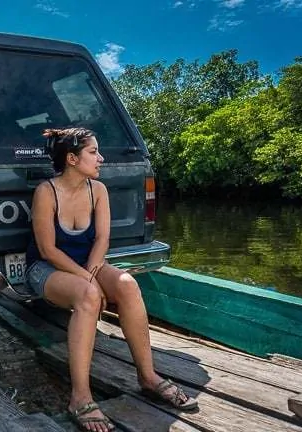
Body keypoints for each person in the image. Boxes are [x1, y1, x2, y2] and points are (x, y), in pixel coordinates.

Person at [26, 127, 197, 432]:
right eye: (93, 152)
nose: (101, 158)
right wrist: (87, 280)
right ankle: (80, 397)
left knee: (128, 285)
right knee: (88, 296)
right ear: (72, 158)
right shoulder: (46, 192)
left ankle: (148, 376)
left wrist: (92, 269)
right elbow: (47, 250)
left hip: (87, 265)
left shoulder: (98, 190)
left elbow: (103, 237)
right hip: (46, 269)